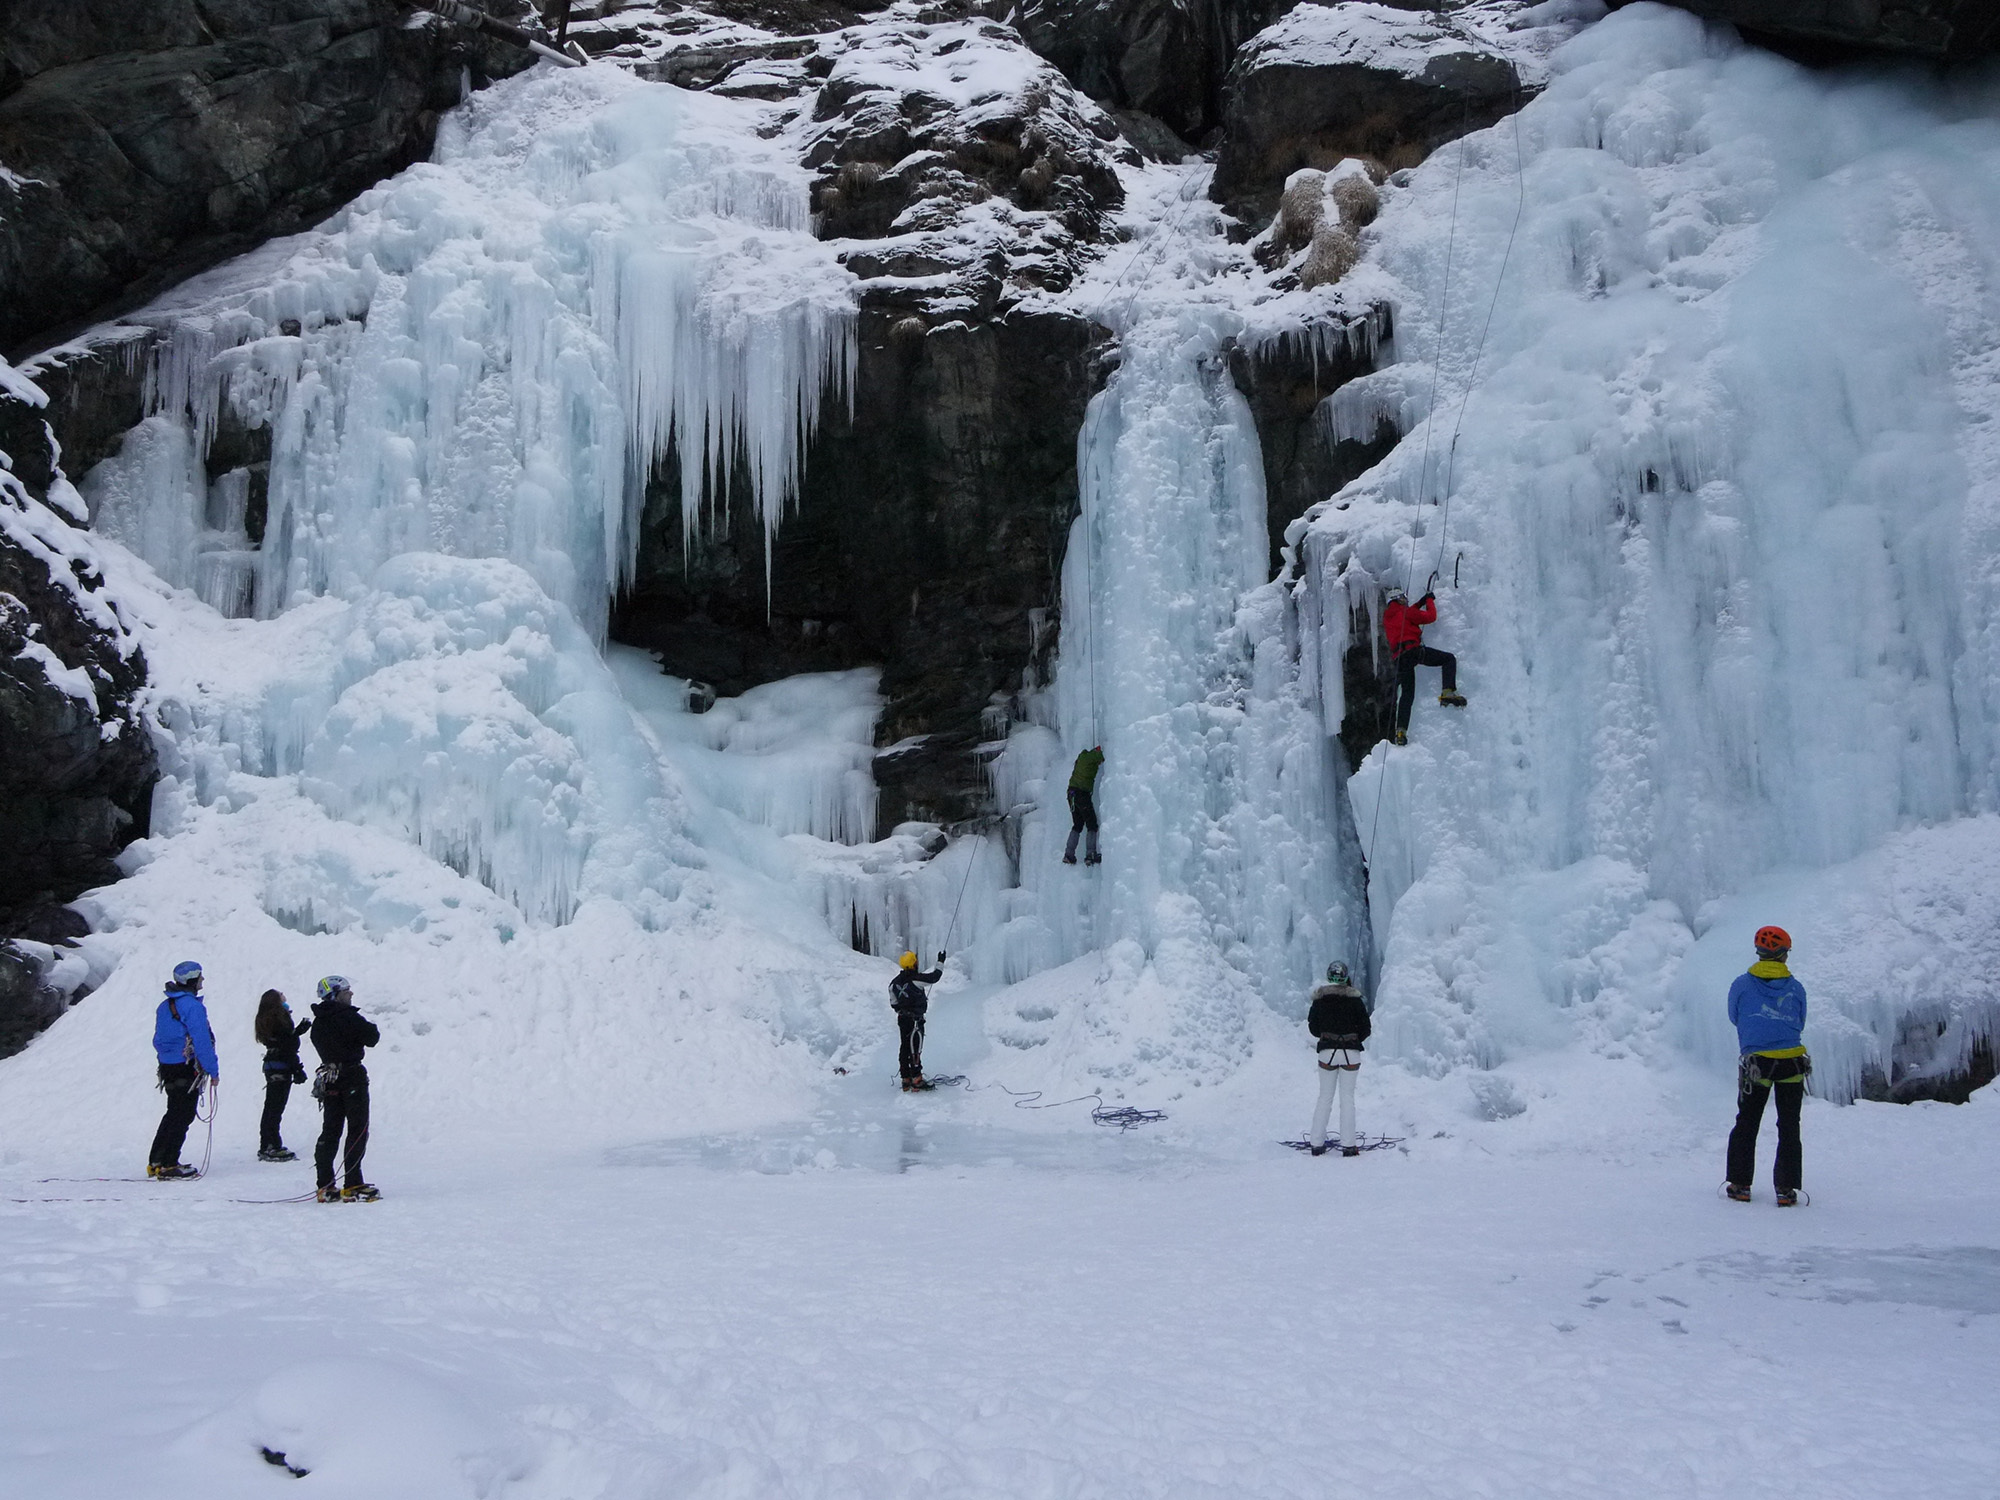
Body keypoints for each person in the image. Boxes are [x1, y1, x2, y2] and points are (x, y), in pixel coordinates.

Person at [1725, 925, 1810, 1206]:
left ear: (1759, 952)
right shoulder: (1796, 988)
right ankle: (1786, 1190)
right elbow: (1799, 1021)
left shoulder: (1741, 984)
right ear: (1785, 954)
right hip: (1792, 1064)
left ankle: (1740, 1184)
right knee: (1788, 1125)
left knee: (1747, 1122)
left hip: (1757, 1064)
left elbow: (1734, 1016)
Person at [309, 975, 381, 1202]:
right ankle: (353, 1183)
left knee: (330, 1131)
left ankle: (325, 1185)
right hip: (352, 1077)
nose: (351, 994)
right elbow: (372, 1037)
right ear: (337, 993)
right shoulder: (349, 1017)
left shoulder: (318, 1022)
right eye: (347, 990)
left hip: (330, 1078)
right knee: (357, 1129)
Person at [148, 960, 218, 1179]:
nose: (202, 981)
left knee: (173, 1112)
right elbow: (202, 1041)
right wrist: (213, 1070)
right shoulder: (193, 1007)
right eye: (200, 977)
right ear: (192, 980)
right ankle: (169, 1164)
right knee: (183, 1114)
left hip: (168, 1067)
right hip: (186, 1067)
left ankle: (157, 1160)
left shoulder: (164, 1006)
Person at [1383, 586, 1465, 746]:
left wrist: (1420, 601)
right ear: (1398, 599)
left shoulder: (1388, 617)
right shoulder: (1405, 612)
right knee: (1448, 659)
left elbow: (1408, 615)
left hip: (1399, 658)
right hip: (1413, 651)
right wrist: (1428, 600)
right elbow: (1430, 617)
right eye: (1403, 599)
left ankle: (1400, 732)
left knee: (1407, 695)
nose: (1406, 601)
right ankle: (1448, 692)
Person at [1307, 961, 1371, 1156]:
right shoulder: (1356, 1000)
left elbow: (1313, 1028)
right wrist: (1352, 1039)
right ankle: (1349, 1145)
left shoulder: (1319, 1000)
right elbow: (1366, 1029)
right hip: (1350, 1053)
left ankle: (1317, 1144)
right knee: (1347, 1098)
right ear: (1345, 977)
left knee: (1324, 1097)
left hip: (1327, 1052)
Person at [254, 990, 311, 1162]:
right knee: (275, 1107)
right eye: (280, 994)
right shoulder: (279, 1017)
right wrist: (297, 1069)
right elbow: (287, 1046)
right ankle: (272, 1145)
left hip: (272, 1065)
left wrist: (296, 1032)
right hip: (281, 1066)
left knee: (271, 1106)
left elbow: (282, 1040)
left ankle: (267, 1144)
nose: (284, 994)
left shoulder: (266, 1018)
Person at [890, 950, 944, 1091]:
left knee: (905, 1046)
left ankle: (905, 1079)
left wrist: (903, 1007)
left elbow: (894, 1003)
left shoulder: (894, 983)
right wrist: (940, 961)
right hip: (915, 1020)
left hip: (903, 1019)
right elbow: (934, 977)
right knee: (916, 1048)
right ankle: (916, 1079)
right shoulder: (915, 979)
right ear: (913, 963)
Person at [1063, 744, 1104, 865]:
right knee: (1092, 824)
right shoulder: (1088, 757)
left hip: (1072, 795)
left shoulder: (1081, 760)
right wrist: (1101, 751)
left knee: (1078, 825)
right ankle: (1090, 854)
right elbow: (1099, 755)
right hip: (1082, 795)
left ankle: (1069, 855)